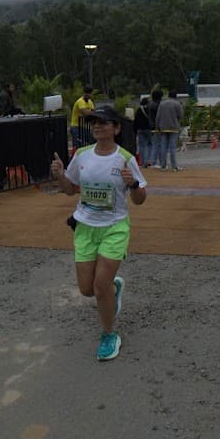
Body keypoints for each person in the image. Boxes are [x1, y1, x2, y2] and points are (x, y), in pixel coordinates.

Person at [49, 106, 146, 361]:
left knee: (99, 287)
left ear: (116, 128)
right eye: (94, 122)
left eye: (104, 122)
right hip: (84, 226)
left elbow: (140, 199)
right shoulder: (81, 155)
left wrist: (133, 184)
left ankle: (109, 334)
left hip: (114, 227)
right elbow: (71, 190)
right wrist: (59, 175)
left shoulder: (125, 158)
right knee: (86, 290)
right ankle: (113, 288)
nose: (97, 126)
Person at [153, 87, 184, 171]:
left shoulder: (162, 104)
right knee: (172, 148)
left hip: (163, 128)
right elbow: (181, 115)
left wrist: (157, 127)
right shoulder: (177, 104)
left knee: (163, 147)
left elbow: (158, 117)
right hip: (174, 128)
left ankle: (163, 166)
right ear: (175, 96)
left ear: (168, 95)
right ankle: (174, 166)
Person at [69, 85, 96, 150]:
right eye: (86, 93)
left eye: (89, 93)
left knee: (89, 144)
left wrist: (89, 112)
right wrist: (89, 112)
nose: (88, 95)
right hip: (76, 126)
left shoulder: (90, 102)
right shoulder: (80, 101)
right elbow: (85, 113)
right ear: (84, 93)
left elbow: (93, 113)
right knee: (77, 146)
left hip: (85, 127)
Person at [133, 96, 152, 167]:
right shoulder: (149, 109)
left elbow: (135, 121)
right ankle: (149, 160)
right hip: (149, 129)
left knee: (141, 146)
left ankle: (142, 162)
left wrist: (135, 130)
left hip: (140, 130)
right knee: (150, 144)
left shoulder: (138, 110)